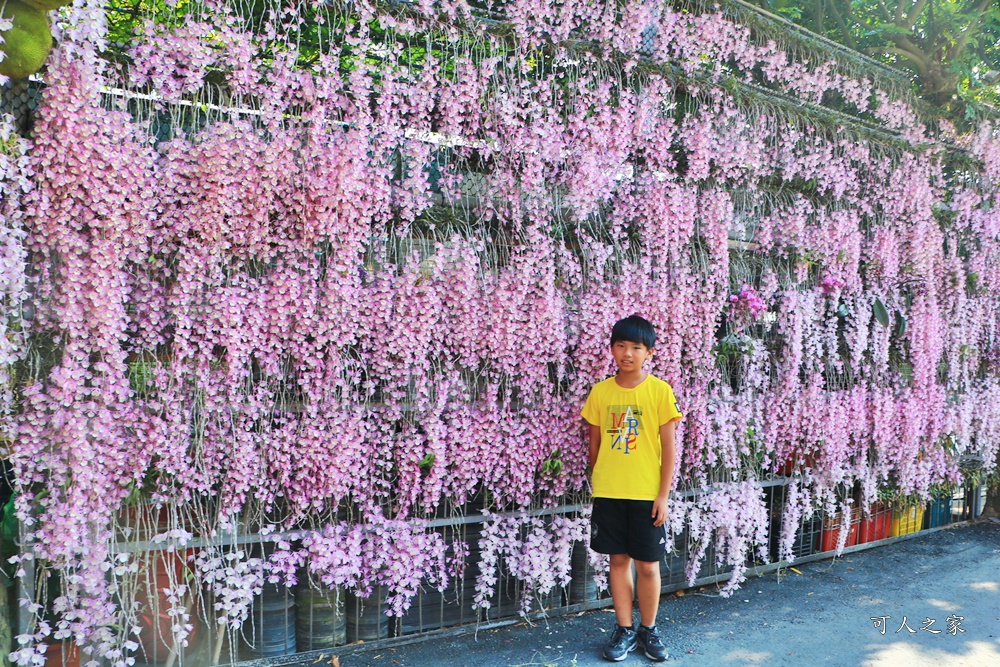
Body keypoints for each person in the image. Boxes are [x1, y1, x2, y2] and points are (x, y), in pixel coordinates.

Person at [581, 314, 682, 662]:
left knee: (648, 565)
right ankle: (624, 628)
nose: (627, 353)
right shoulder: (601, 392)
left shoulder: (659, 392)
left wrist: (663, 494)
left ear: (649, 353)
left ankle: (648, 629)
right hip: (610, 493)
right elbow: (594, 445)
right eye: (620, 345)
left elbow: (668, 448)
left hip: (646, 495)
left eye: (636, 347)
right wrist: (603, 480)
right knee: (617, 560)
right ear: (611, 349)